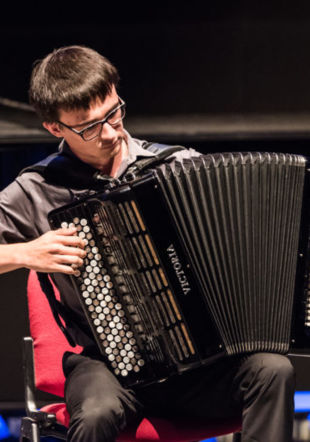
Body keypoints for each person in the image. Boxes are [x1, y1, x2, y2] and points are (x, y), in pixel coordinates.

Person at [0, 46, 295, 442]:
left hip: (195, 366)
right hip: (106, 367)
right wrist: (24, 252)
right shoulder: (35, 190)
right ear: (55, 128)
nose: (110, 132)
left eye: (114, 112)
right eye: (89, 127)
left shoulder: (177, 165)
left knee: (272, 370)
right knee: (97, 412)